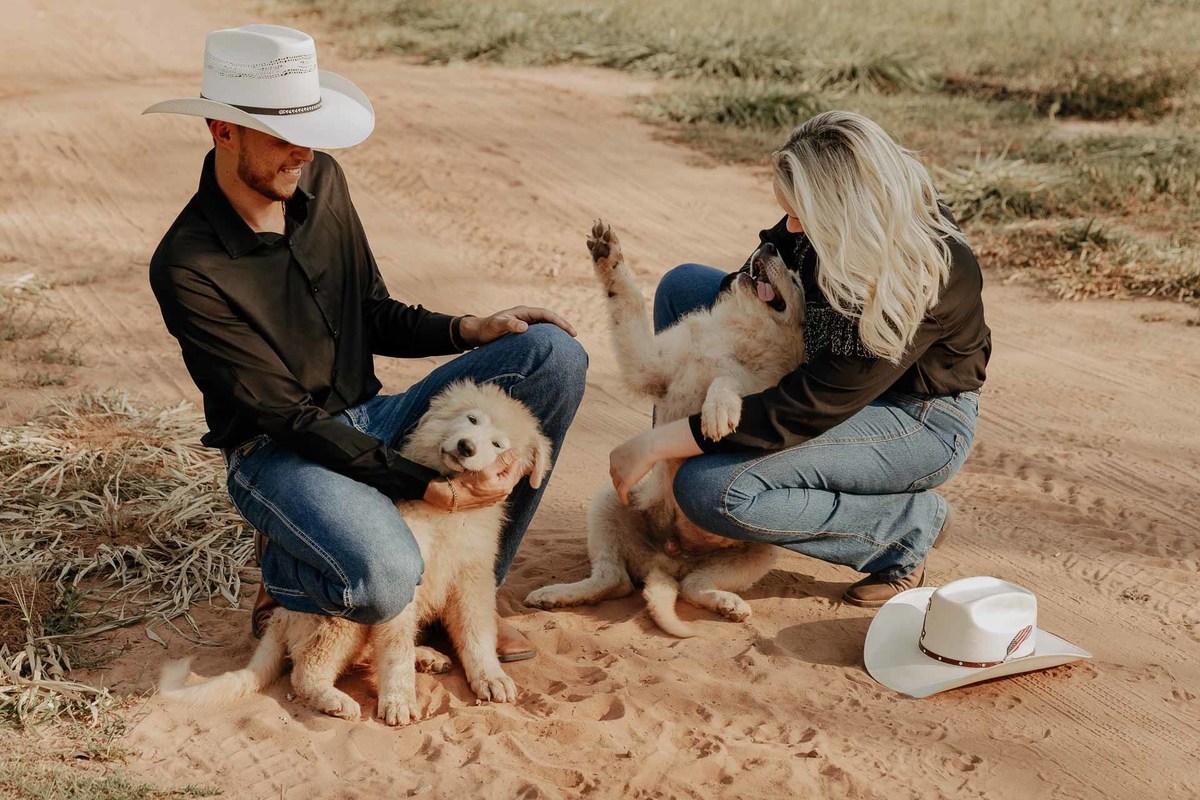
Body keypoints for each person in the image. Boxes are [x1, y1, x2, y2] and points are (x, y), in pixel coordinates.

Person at [144, 24, 586, 660]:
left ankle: (467, 595)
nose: (302, 153)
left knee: (553, 354)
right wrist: (426, 485)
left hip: (373, 418)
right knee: (382, 581)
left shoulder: (323, 179)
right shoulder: (188, 267)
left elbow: (372, 311)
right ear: (223, 131)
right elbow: (286, 416)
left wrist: (468, 329)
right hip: (280, 454)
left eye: (310, 134)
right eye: (283, 139)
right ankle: (289, 572)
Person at [608, 111, 989, 608]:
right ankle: (671, 497)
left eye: (801, 215)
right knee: (685, 287)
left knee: (711, 491)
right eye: (787, 211)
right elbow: (745, 284)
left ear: (845, 210)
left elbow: (805, 408)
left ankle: (904, 529)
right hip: (815, 363)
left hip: (912, 418)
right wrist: (757, 291)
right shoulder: (820, 227)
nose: (789, 227)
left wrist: (659, 442)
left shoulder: (926, 275)